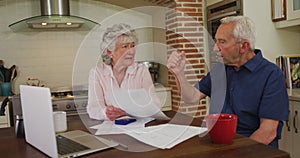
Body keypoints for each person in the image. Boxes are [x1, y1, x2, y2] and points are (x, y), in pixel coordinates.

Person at [167, 16, 289, 148]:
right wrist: (179, 74)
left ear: (244, 46)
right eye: (216, 41)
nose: (215, 48)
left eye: (222, 42)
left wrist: (234, 154)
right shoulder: (220, 69)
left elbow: (268, 132)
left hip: (253, 149)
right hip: (220, 145)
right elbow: (192, 97)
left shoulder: (272, 75)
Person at [87, 23, 160, 121]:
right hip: (110, 130)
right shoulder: (97, 73)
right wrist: (106, 113)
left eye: (132, 46)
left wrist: (140, 109)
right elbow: (93, 108)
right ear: (110, 52)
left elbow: (155, 104)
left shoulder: (141, 70)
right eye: (125, 46)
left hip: (139, 129)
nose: (131, 51)